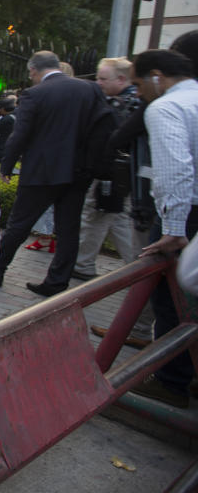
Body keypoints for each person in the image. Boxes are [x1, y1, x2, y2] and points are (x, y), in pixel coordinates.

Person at [0, 51, 105, 296]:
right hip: (78, 171)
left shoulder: (34, 94)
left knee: (19, 225)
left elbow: (20, 134)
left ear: (34, 70)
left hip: (41, 171)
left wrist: (7, 165)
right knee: (68, 229)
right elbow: (101, 127)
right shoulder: (90, 89)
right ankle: (57, 281)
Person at [128, 48, 198, 409]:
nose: (137, 93)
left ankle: (171, 379)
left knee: (170, 298)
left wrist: (173, 227)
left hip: (186, 215)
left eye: (138, 84)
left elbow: (176, 170)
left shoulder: (166, 108)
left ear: (157, 76)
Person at [72, 57, 146, 279]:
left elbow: (111, 141)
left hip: (110, 174)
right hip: (124, 175)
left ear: (122, 79)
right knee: (118, 217)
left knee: (96, 216)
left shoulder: (120, 105)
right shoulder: (134, 101)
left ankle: (84, 265)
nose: (99, 83)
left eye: (103, 78)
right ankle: (136, 265)